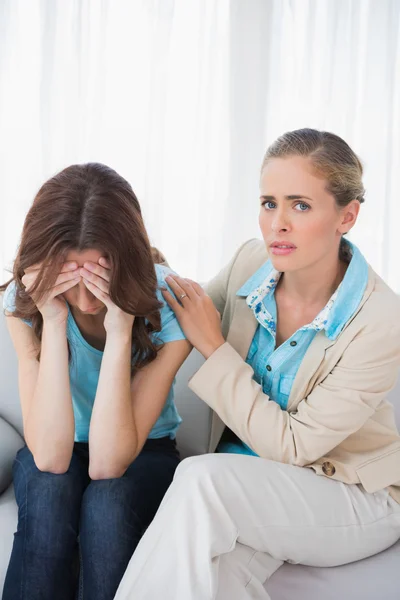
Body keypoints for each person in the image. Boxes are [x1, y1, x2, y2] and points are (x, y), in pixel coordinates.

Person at [114, 128, 400, 600]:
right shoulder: (251, 261)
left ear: (346, 216)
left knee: (201, 479)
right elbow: (176, 309)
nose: (277, 224)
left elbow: (295, 446)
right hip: (254, 486)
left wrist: (216, 348)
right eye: (269, 203)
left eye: (300, 205)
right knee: (211, 578)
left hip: (352, 494)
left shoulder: (381, 321)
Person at [0, 163, 191, 600]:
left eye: (99, 277)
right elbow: (49, 456)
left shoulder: (168, 302)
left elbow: (108, 464)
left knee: (109, 503)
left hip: (142, 451)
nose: (86, 300)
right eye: (70, 277)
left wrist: (122, 324)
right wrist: (52, 317)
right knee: (48, 492)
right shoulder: (26, 299)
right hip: (56, 445)